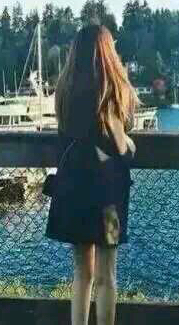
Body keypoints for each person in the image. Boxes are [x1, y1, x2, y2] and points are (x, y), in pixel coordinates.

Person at [46, 24, 139, 325]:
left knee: (82, 273)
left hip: (73, 190)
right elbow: (121, 148)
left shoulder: (65, 91)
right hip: (108, 198)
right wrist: (131, 145)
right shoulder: (110, 92)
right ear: (107, 53)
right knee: (106, 274)